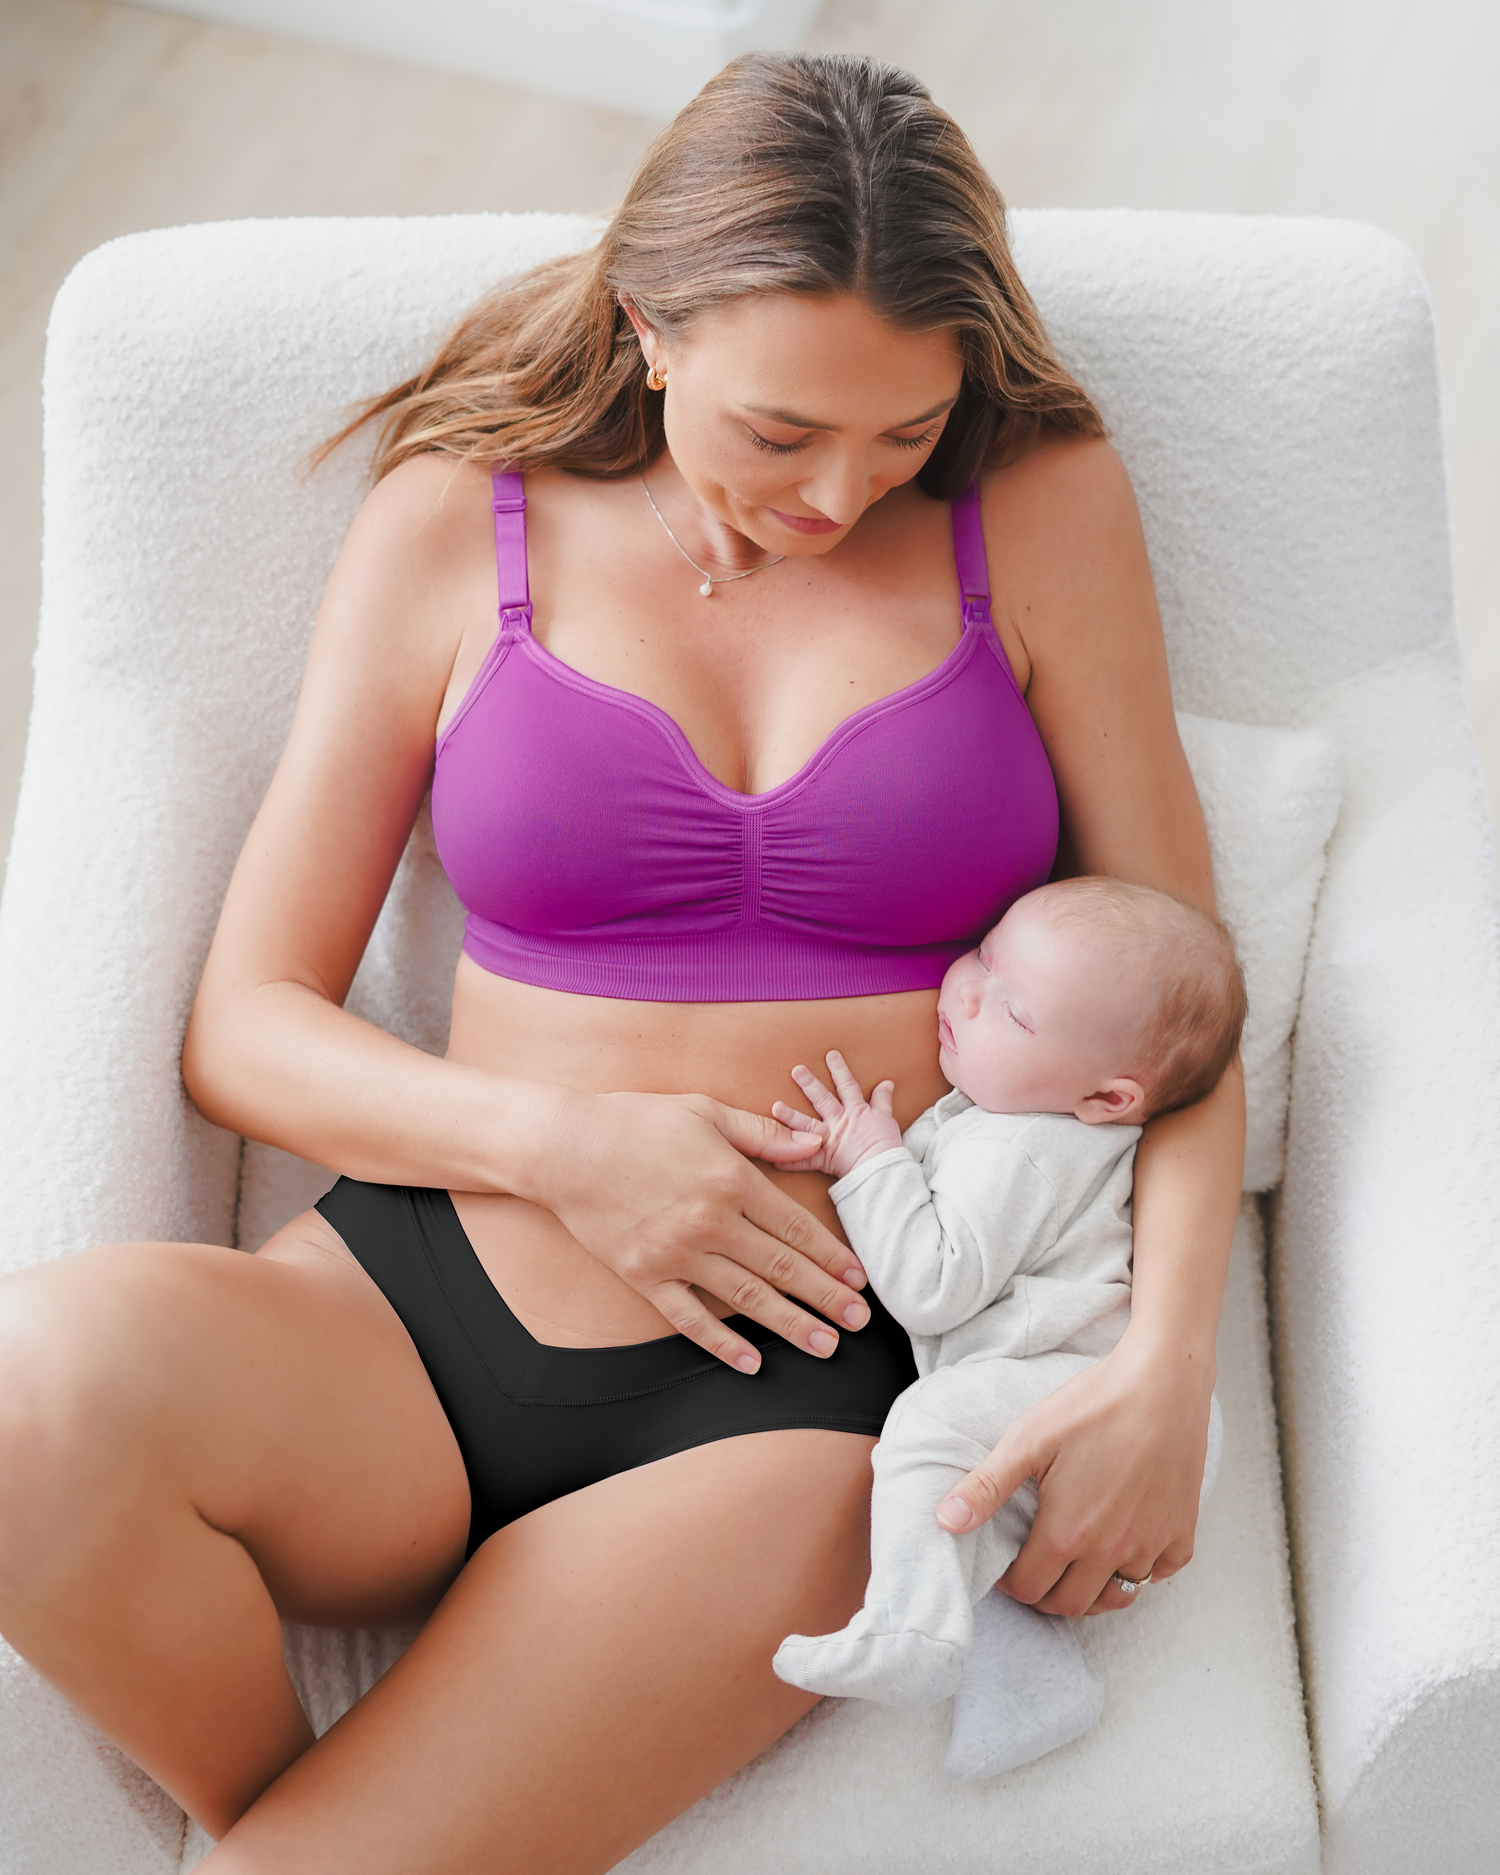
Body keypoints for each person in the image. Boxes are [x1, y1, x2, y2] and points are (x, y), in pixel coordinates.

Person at [0, 48, 1244, 1875]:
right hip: (414, 1314)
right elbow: (244, 1027)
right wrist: (569, 1146)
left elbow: (1187, 1005)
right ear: (652, 326)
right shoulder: (455, 518)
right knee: (24, 1397)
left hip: (803, 1398)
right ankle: (263, 1814)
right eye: (778, 432)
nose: (837, 495)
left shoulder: (1039, 508)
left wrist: (1166, 1368)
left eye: (903, 433)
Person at [763, 878, 1243, 1780]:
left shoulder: (1021, 1143)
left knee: (930, 1432)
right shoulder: (1040, 1118)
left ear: (1107, 1097)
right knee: (967, 1496)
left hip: (1106, 1415)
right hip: (1091, 1400)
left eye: (1012, 1012)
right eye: (983, 954)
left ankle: (907, 1626)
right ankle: (1025, 1685)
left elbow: (934, 1284)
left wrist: (869, 1160)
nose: (965, 991)